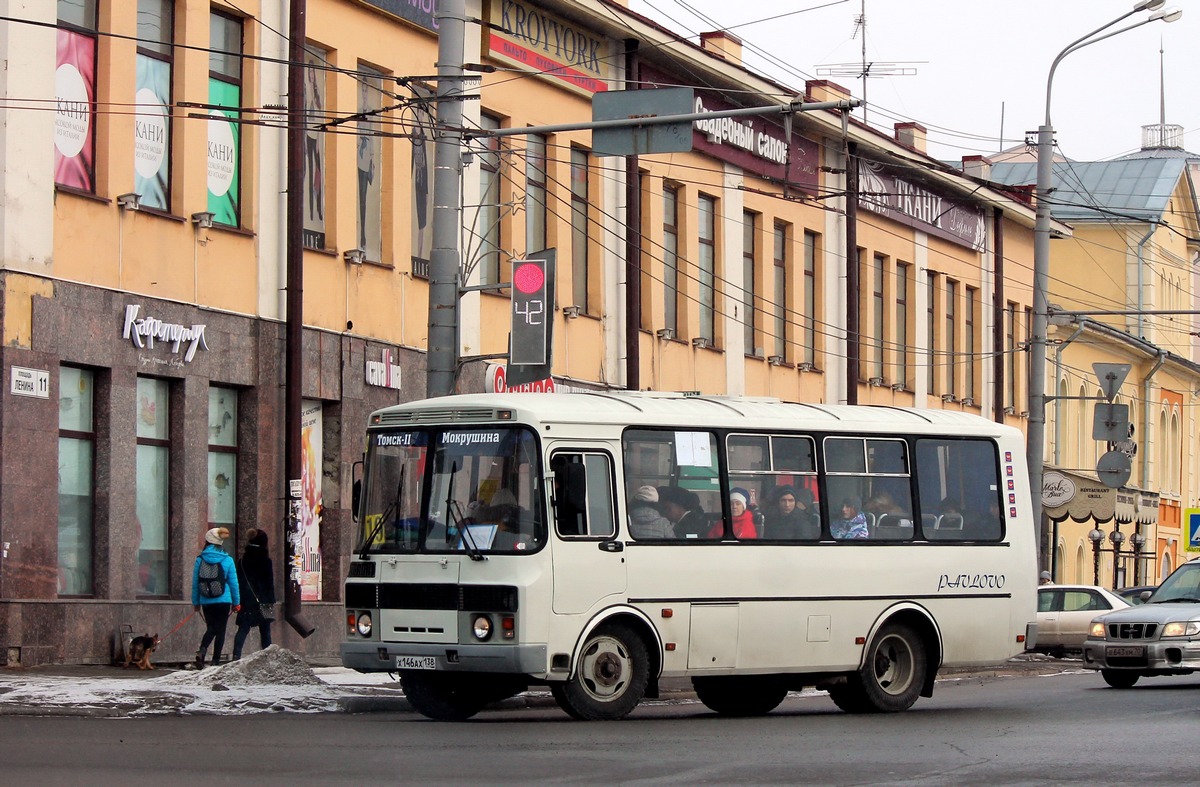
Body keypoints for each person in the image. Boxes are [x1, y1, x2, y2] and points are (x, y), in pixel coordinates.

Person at [192, 527, 240, 668]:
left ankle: (202, 650)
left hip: (206, 600)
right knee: (220, 630)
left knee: (211, 628)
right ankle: (215, 660)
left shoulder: (200, 559)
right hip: (223, 600)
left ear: (207, 541)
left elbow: (195, 583)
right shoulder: (228, 559)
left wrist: (196, 602)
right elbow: (233, 583)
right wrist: (236, 602)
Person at [232, 528, 276, 660]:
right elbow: (269, 582)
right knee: (265, 631)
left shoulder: (242, 561)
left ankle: (236, 655)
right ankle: (267, 657)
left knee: (243, 628)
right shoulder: (265, 561)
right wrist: (270, 600)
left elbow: (239, 580)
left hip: (246, 599)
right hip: (263, 600)